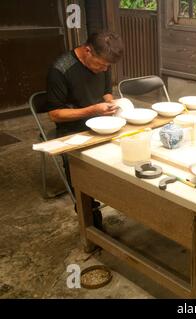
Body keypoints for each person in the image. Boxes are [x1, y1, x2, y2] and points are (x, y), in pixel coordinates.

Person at [46, 31, 124, 229]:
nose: (104, 69)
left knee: (132, 154)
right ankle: (93, 227)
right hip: (73, 131)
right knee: (81, 174)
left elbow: (106, 92)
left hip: (103, 123)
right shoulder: (61, 69)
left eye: (107, 66)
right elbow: (54, 114)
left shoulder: (103, 62)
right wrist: (91, 110)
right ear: (87, 50)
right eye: (100, 65)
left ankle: (132, 203)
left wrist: (110, 103)